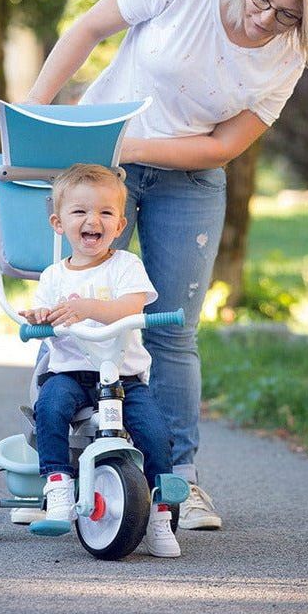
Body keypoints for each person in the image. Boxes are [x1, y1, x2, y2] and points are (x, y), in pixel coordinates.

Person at [23, 0, 308, 530]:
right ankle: (60, 466)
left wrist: (134, 145)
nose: (264, 21)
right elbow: (89, 29)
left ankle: (181, 483)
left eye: (288, 17)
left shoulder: (288, 55)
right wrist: (36, 116)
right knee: (75, 306)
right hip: (101, 170)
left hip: (189, 177)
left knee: (171, 329)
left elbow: (224, 145)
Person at [19, 162, 181, 558]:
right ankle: (57, 483)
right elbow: (43, 312)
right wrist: (39, 317)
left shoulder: (126, 266)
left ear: (121, 223)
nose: (94, 220)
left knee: (156, 432)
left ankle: (160, 513)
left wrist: (89, 306)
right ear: (59, 223)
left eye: (106, 212)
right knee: (50, 406)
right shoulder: (54, 276)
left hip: (122, 377)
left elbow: (131, 306)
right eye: (80, 212)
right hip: (71, 373)